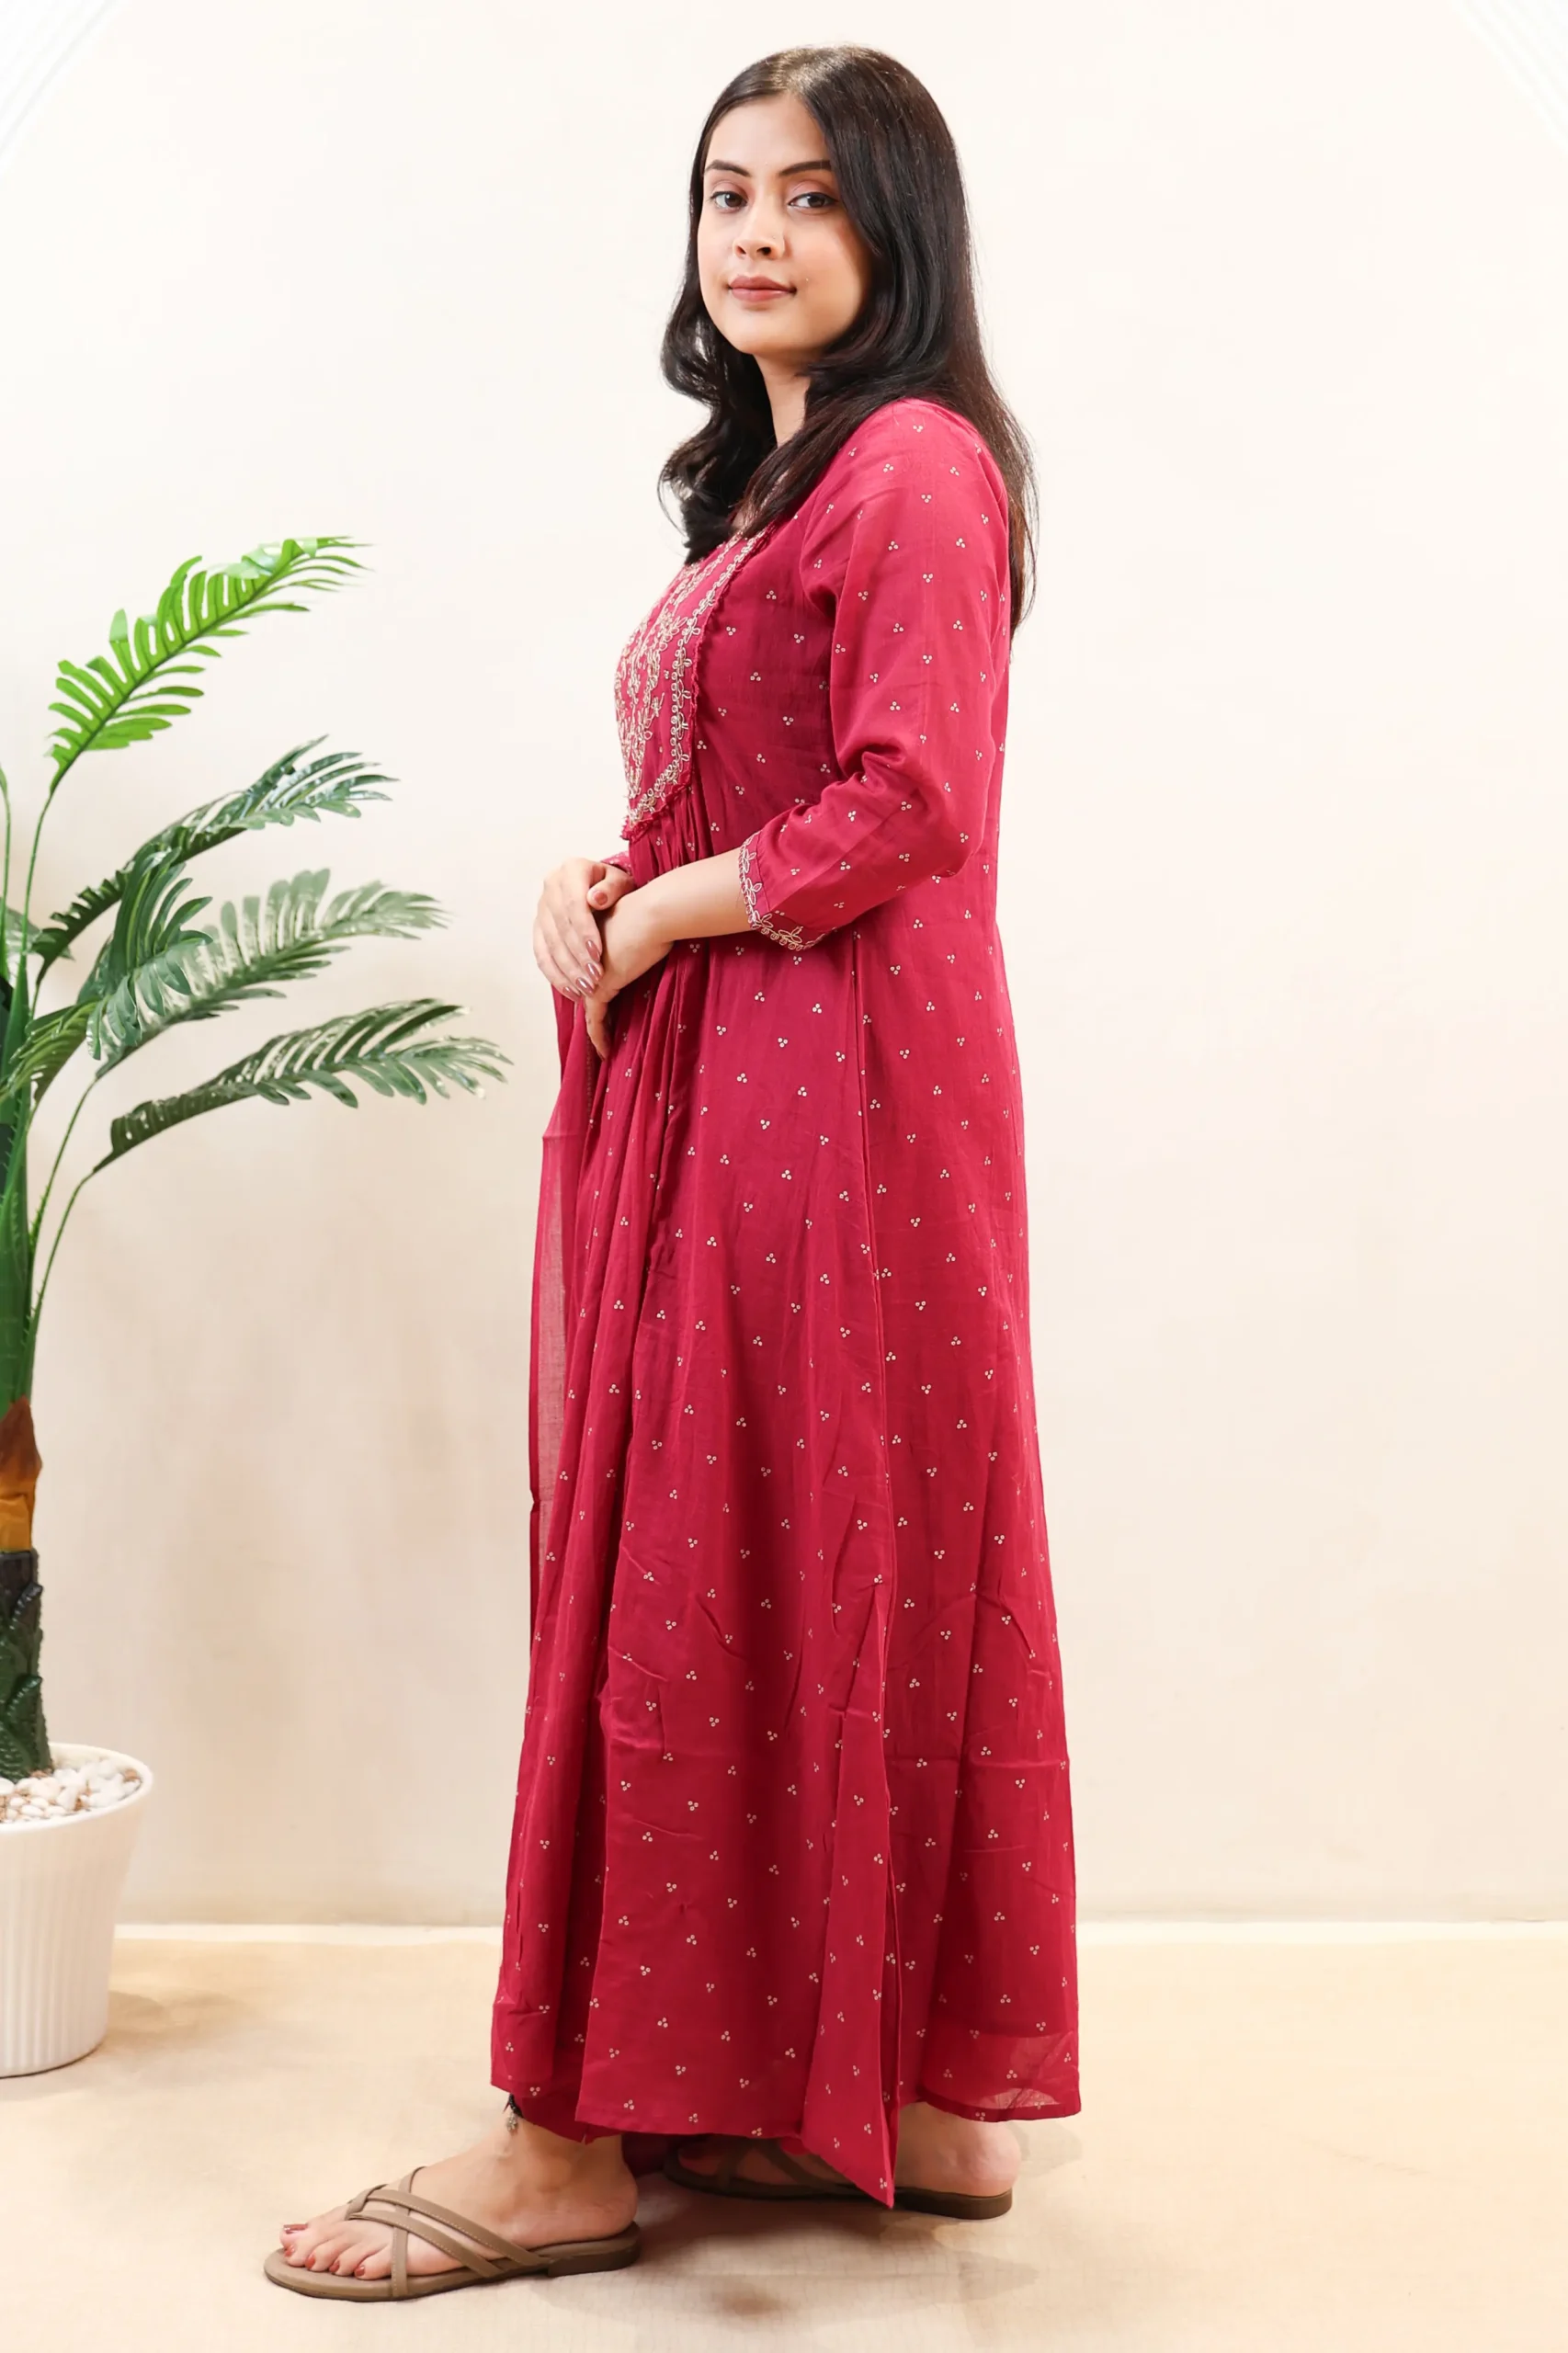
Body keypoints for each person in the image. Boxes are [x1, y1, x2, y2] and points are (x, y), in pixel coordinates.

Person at [266, 42, 1080, 2302]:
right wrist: (605, 876)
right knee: (783, 1536)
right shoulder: (776, 484)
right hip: (771, 1069)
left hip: (834, 1097)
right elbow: (762, 786)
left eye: (813, 194)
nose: (758, 232)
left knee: (714, 1547)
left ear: (899, 228)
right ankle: (884, 2096)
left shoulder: (911, 464)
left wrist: (666, 912)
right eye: (728, 190)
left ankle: (568, 2144)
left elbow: (906, 799)